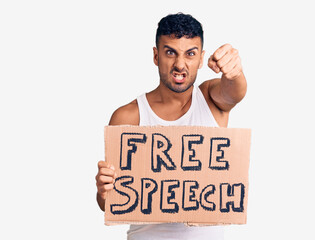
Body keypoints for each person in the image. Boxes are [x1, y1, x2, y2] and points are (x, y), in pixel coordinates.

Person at [95, 13, 247, 240]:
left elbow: (234, 92)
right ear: (156, 56)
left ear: (201, 58)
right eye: (170, 52)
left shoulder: (211, 99)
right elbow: (109, 203)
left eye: (190, 54)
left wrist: (235, 73)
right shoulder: (128, 116)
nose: (180, 64)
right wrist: (103, 190)